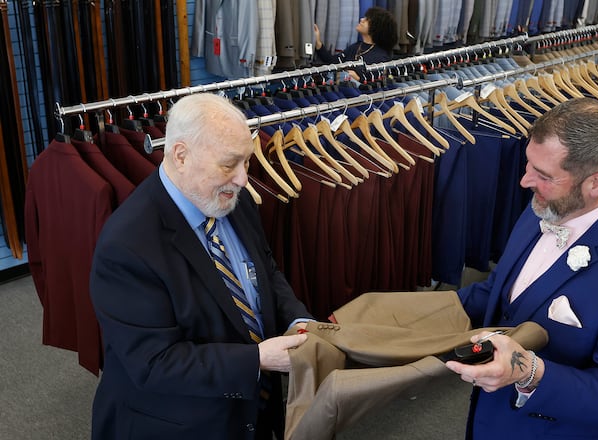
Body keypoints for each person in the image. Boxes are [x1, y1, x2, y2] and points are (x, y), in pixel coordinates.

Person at [445, 98, 598, 439]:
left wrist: (529, 373)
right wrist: (400, 319)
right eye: (528, 164)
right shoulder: (545, 206)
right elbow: (500, 294)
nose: (524, 181)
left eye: (543, 175)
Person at [89, 93, 312, 440]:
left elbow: (265, 271)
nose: (242, 179)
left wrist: (297, 319)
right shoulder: (126, 245)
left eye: (246, 163)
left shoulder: (228, 199)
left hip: (252, 411)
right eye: (229, 164)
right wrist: (256, 360)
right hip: (180, 425)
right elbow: (155, 363)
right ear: (181, 155)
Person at [313, 6, 398, 82]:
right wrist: (318, 43)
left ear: (376, 27)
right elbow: (333, 62)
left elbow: (377, 82)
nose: (362, 20)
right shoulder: (355, 47)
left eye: (367, 20)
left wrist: (359, 79)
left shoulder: (381, 56)